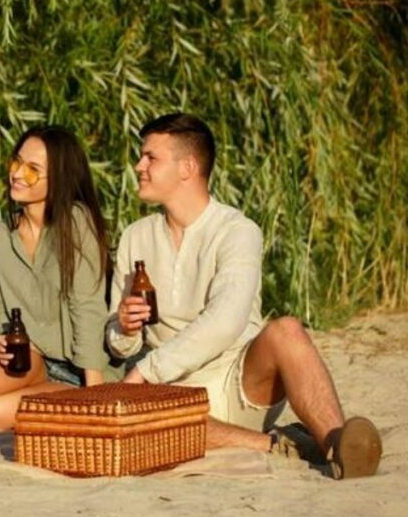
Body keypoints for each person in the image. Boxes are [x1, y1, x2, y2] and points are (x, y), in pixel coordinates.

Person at [106, 113, 382, 479]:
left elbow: (226, 320)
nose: (139, 166)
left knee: (286, 330)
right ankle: (278, 445)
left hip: (239, 382)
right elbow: (118, 345)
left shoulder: (237, 231)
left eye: (150, 157)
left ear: (187, 167)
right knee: (147, 418)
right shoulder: (135, 237)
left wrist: (146, 370)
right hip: (172, 395)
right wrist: (124, 329)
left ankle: (338, 446)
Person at [0, 126, 111, 429]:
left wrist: (96, 390)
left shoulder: (76, 223)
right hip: (30, 359)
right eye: (16, 163)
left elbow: (87, 305)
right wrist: (0, 339)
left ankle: (65, 399)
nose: (18, 174)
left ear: (59, 179)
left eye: (33, 170)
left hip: (76, 372)